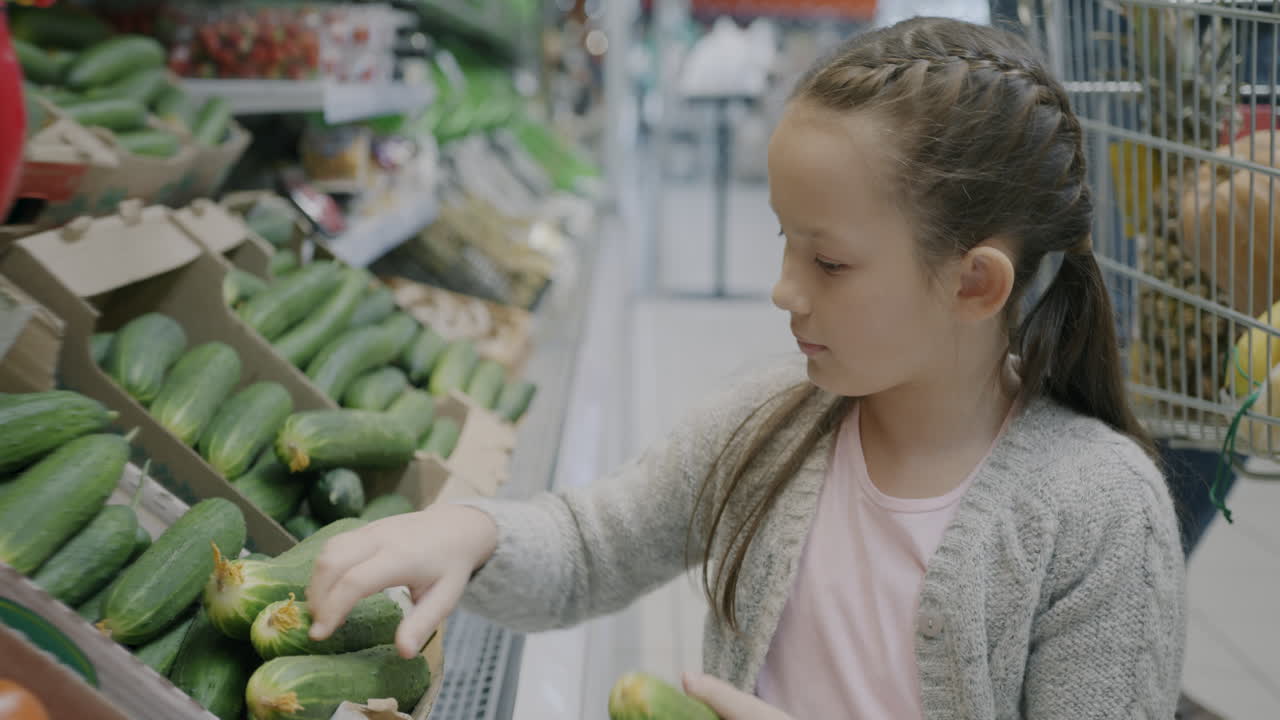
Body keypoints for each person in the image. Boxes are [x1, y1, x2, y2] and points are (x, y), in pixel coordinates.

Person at [306, 18, 1186, 719]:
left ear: (975, 283)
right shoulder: (769, 427)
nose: (783, 291)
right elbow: (589, 546)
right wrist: (477, 534)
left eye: (829, 263)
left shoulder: (1100, 514)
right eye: (783, 242)